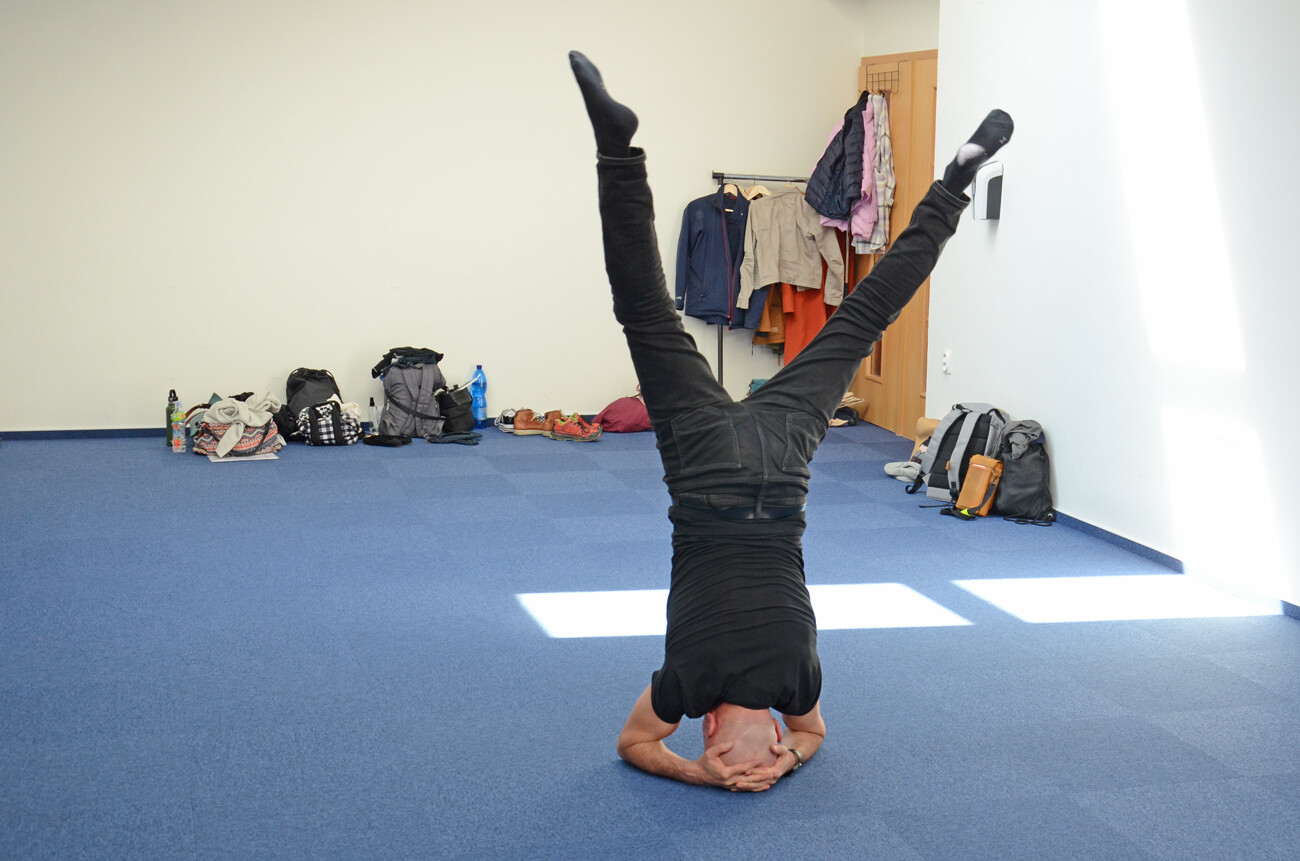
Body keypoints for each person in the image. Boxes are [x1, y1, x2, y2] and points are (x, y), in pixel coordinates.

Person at [569, 51, 1012, 792]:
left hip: (781, 468)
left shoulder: (797, 680)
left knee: (867, 314)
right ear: (710, 728)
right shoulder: (686, 684)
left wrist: (789, 757)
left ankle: (956, 182)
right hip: (705, 474)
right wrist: (700, 774)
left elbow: (813, 733)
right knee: (643, 311)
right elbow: (634, 743)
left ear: (770, 727)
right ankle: (618, 150)